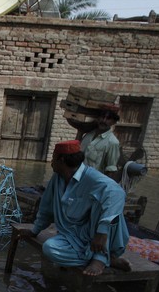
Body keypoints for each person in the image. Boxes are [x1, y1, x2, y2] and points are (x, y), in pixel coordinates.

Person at [23, 139, 130, 276]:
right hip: (71, 236)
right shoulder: (57, 179)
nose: (51, 162)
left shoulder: (92, 177)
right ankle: (108, 259)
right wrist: (35, 230)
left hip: (96, 236)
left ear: (61, 160)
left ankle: (101, 258)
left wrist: (102, 231)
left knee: (104, 201)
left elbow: (118, 193)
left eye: (53, 158)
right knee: (50, 249)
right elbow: (46, 207)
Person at [80, 104, 122, 183]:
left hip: (93, 183)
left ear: (113, 122)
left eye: (108, 118)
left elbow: (111, 170)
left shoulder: (113, 142)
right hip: (78, 179)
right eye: (102, 117)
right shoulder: (88, 134)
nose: (104, 121)